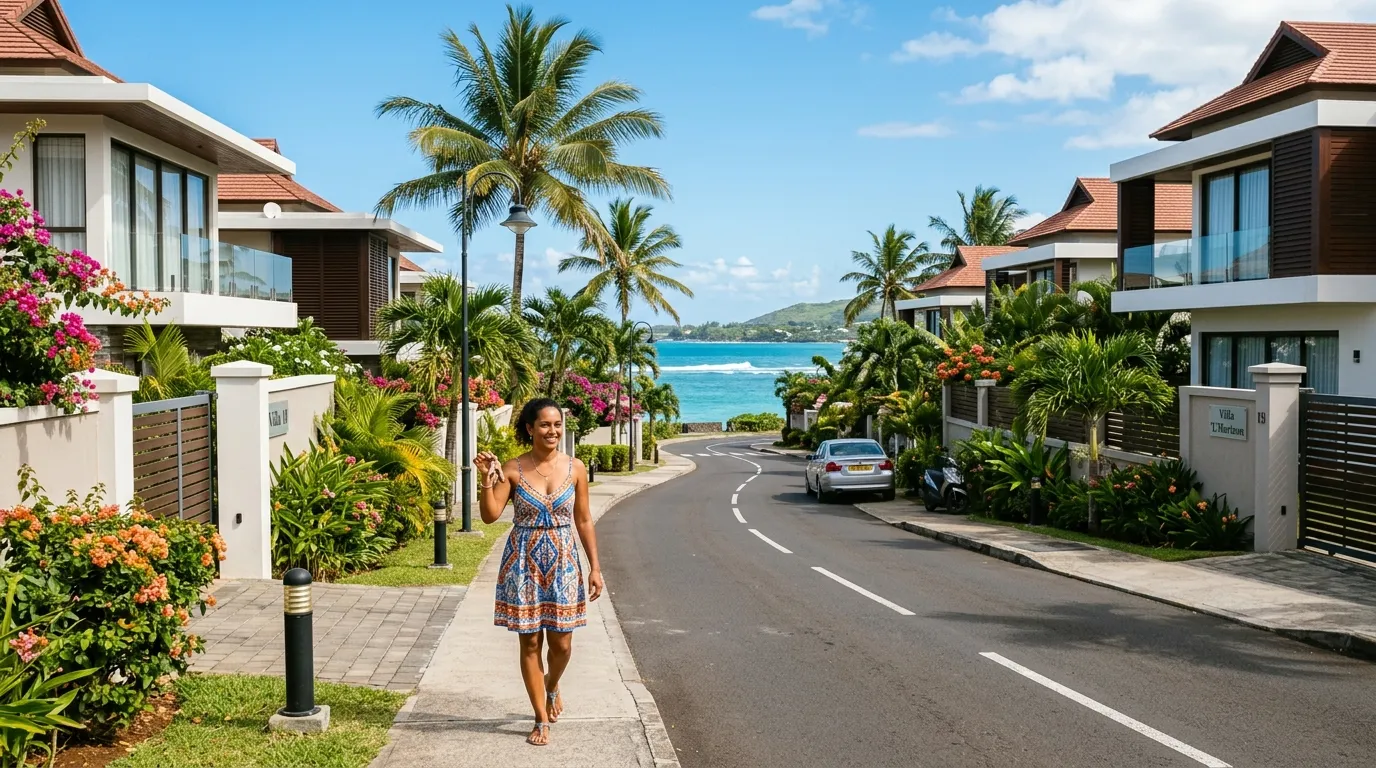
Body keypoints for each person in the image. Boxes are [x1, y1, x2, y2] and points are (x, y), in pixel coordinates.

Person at [474, 398, 604, 747]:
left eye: (557, 424)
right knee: (530, 641)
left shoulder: (575, 467)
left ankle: (551, 686)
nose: (553, 431)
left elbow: (584, 519)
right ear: (530, 428)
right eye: (545, 425)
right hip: (523, 564)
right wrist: (486, 479)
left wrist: (595, 568)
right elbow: (489, 515)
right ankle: (540, 718)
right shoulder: (514, 469)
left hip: (564, 562)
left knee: (562, 643)